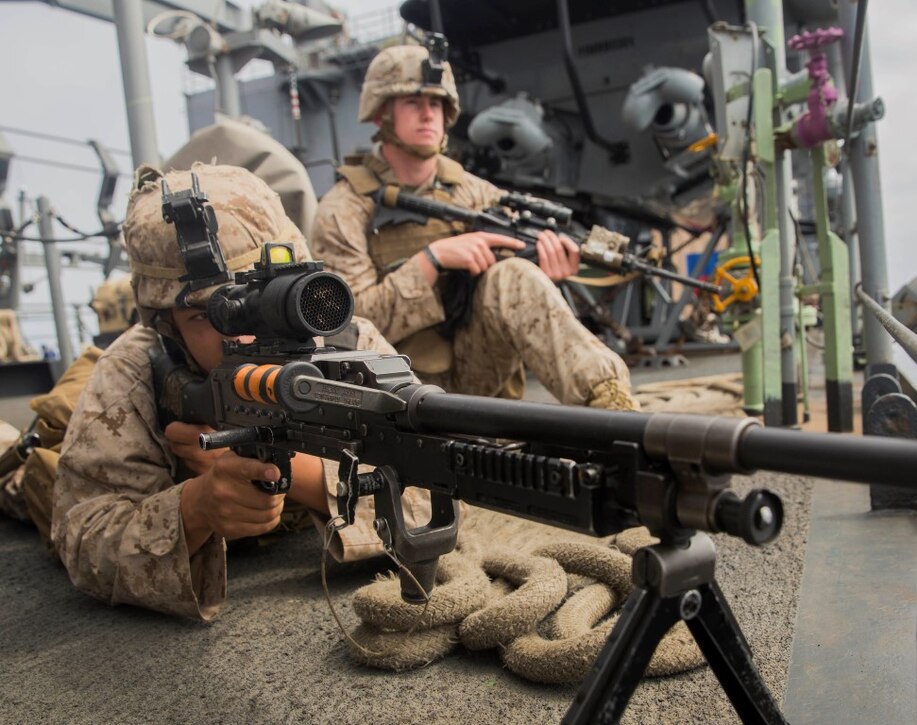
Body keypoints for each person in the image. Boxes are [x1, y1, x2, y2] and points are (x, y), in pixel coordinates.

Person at [52, 164, 433, 620]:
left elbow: (432, 497)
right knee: (27, 469)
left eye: (265, 299)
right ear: (165, 323)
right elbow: (82, 540)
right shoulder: (134, 370)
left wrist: (304, 477)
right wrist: (194, 508)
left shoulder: (347, 346)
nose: (245, 336)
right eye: (206, 316)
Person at [310, 43, 638, 411]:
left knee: (514, 274)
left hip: (477, 375)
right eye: (413, 103)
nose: (428, 115)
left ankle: (614, 409)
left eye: (436, 104)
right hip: (393, 390)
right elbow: (343, 329)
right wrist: (429, 262)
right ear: (381, 114)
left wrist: (547, 270)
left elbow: (515, 288)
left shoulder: (477, 194)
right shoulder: (344, 208)